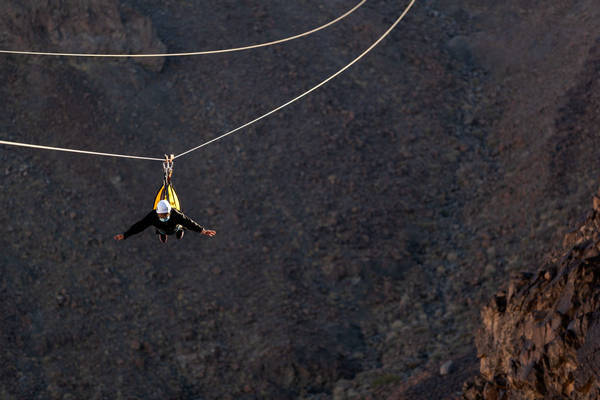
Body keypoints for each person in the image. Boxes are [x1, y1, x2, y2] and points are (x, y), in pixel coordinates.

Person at [114, 200, 216, 243]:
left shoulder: (176, 214)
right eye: (162, 215)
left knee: (180, 228)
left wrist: (202, 230)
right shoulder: (152, 216)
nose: (164, 216)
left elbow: (189, 222)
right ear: (157, 212)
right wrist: (125, 235)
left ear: (169, 212)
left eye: (165, 214)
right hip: (162, 228)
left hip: (175, 226)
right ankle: (162, 233)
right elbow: (139, 226)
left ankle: (179, 230)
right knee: (162, 231)